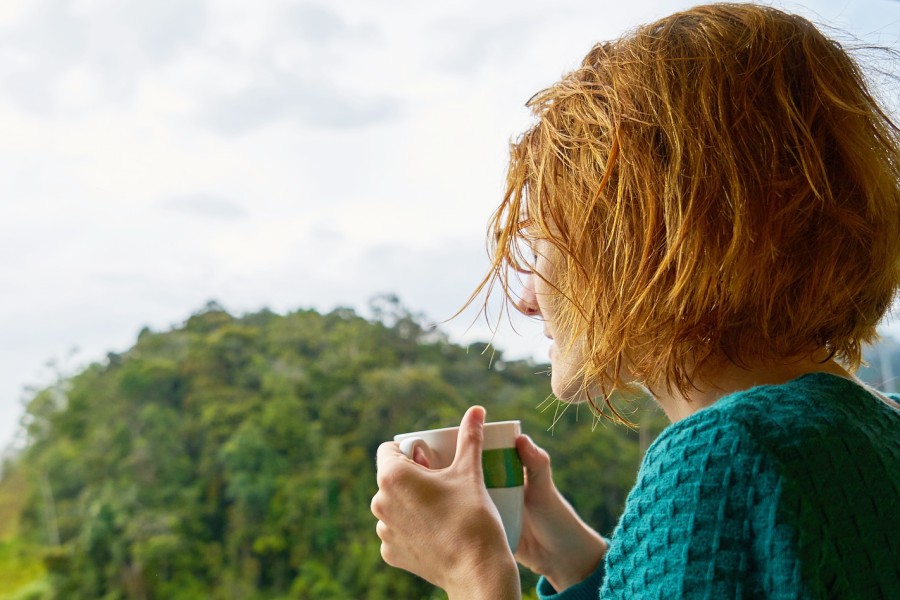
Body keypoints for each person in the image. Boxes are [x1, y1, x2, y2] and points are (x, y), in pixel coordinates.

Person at [370, 3, 900, 598]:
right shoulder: (877, 428)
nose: (525, 301)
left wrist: (473, 572)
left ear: (639, 248)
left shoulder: (721, 458)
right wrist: (577, 563)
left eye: (543, 251)